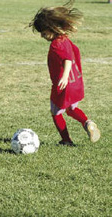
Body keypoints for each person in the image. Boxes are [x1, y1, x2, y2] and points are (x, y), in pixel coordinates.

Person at [29, 0, 100, 145]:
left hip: (64, 85)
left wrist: (65, 76)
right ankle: (88, 123)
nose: (42, 36)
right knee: (71, 108)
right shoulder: (64, 39)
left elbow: (67, 59)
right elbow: (74, 53)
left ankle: (66, 140)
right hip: (76, 83)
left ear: (52, 28)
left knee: (56, 112)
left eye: (43, 33)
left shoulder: (56, 44)